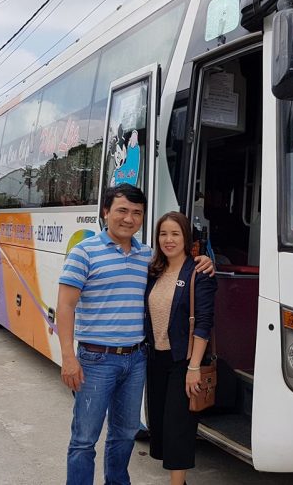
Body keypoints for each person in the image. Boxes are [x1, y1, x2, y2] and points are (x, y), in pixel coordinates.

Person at [56, 184, 213, 485]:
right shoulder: (84, 252)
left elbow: (179, 271)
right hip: (95, 360)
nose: (129, 219)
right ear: (106, 212)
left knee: (125, 433)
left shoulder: (148, 257)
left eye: (137, 213)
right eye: (122, 211)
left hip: (137, 359)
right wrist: (68, 357)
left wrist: (204, 261)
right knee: (85, 438)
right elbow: (65, 306)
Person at [144, 212, 217, 485]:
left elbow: (204, 323)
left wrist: (194, 367)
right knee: (160, 424)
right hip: (156, 359)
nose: (169, 240)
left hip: (183, 362)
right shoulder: (154, 271)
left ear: (186, 237)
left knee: (179, 427)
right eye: (163, 234)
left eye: (175, 234)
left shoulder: (199, 272)